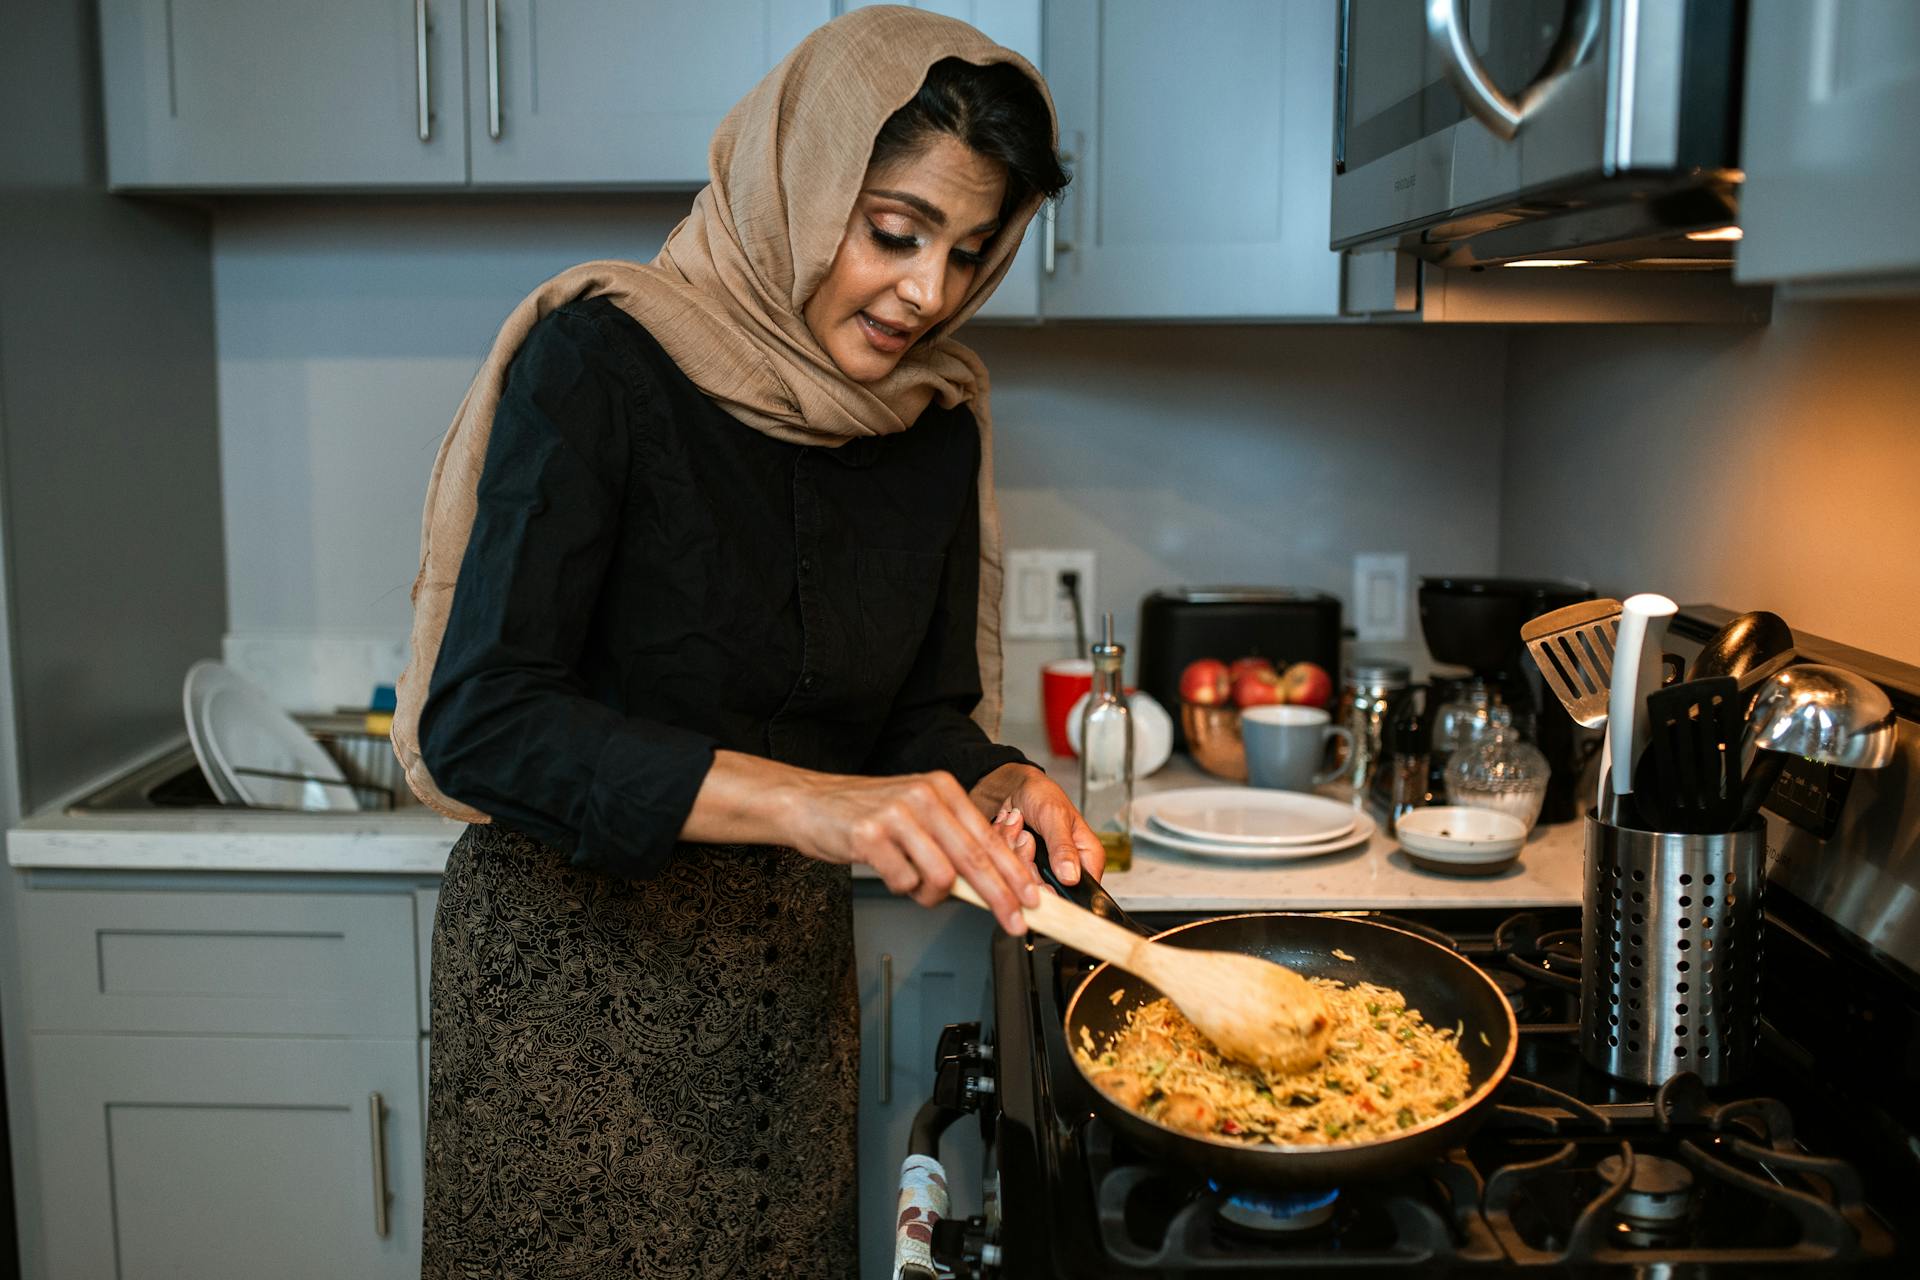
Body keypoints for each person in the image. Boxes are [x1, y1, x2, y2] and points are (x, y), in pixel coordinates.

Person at [393, 8, 1102, 1275]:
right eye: (894, 232)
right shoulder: (604, 360)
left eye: (970, 252)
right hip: (568, 1011)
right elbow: (483, 721)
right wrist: (811, 803)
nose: (927, 293)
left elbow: (921, 716)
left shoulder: (935, 424)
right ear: (800, 176)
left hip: (783, 1018)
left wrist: (1001, 779)